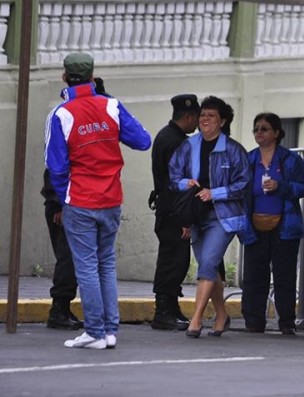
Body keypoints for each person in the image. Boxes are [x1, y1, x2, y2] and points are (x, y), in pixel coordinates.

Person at [45, 52, 151, 349]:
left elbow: (56, 165)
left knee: (87, 267)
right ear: (93, 77)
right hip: (111, 198)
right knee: (105, 264)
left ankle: (94, 330)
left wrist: (66, 196)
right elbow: (143, 140)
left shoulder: (62, 114)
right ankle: (109, 330)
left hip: (80, 199)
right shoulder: (112, 105)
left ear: (65, 77)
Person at [169, 96, 250, 338]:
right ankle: (222, 315)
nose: (205, 119)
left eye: (211, 116)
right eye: (203, 115)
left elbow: (244, 183)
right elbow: (173, 176)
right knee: (209, 265)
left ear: (222, 121)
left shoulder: (234, 150)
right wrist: (187, 183)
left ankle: (196, 320)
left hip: (222, 216)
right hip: (195, 214)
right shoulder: (188, 146)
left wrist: (215, 193)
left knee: (207, 263)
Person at [241, 112, 304, 335]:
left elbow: (303, 187)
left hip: (285, 225)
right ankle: (253, 321)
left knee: (284, 276)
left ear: (277, 133)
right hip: (254, 224)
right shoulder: (248, 160)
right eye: (256, 129)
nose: (259, 133)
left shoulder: (291, 160)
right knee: (253, 275)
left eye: (264, 128)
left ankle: (286, 322)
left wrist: (280, 187)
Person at [149, 94, 201, 331]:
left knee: (174, 260)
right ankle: (164, 311)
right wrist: (184, 219)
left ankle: (169, 308)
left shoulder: (166, 135)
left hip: (167, 208)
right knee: (173, 261)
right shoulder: (177, 142)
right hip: (174, 211)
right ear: (189, 117)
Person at [41, 169, 82, 330]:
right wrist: (59, 205)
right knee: (67, 258)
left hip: (67, 202)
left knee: (69, 258)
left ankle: (62, 308)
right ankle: (59, 308)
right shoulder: (61, 143)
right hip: (63, 204)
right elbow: (56, 170)